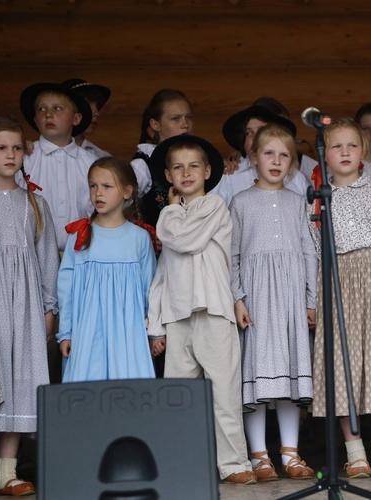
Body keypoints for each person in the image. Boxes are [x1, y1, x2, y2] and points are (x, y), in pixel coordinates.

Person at [146, 134, 256, 485]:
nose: (186, 172)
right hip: (178, 317)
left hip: (214, 312)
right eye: (178, 167)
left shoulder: (214, 207)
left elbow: (185, 240)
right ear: (168, 174)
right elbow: (162, 272)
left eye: (194, 165)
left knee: (223, 394)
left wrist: (169, 211)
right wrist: (155, 325)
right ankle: (180, 463)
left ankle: (235, 464)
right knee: (178, 397)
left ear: (208, 171)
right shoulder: (174, 215)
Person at [309, 118, 371, 479]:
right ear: (324, 155)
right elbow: (314, 251)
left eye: (353, 145)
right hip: (337, 286)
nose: (345, 152)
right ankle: (355, 454)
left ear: (363, 152)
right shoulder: (319, 197)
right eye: (337, 146)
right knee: (341, 366)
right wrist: (314, 300)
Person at [230, 124, 317, 481]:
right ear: (253, 158)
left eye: (284, 155)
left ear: (293, 163)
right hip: (256, 300)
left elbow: (310, 251)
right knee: (257, 379)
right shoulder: (240, 202)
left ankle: (290, 453)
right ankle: (259, 455)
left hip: (291, 300)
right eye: (269, 153)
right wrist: (237, 298)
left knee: (287, 379)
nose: (277, 161)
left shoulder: (299, 203)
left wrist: (311, 299)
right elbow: (231, 256)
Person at [0, 116, 58, 496]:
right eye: (0, 147)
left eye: (16, 148)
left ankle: (4, 472)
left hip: (24, 309)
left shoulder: (35, 203)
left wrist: (48, 307)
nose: (10, 155)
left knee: (18, 381)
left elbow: (46, 261)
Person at [57, 157, 157, 382]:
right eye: (93, 186)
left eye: (107, 186)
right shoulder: (80, 236)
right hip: (87, 333)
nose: (98, 193)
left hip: (128, 334)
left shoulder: (139, 238)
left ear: (127, 192)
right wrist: (66, 333)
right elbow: (66, 289)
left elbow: (150, 289)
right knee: (87, 388)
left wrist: (153, 332)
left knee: (128, 389)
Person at [19, 81, 97, 250]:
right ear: (35, 120)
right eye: (42, 109)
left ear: (76, 119)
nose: (48, 114)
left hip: (82, 254)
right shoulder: (22, 160)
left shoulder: (92, 164)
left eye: (58, 108)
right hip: (34, 255)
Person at [212, 104, 309, 207]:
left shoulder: (296, 177)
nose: (255, 137)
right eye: (248, 133)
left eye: (262, 130)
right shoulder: (230, 176)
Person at [133, 89, 194, 226]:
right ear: (155, 124)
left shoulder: (199, 160)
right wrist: (146, 234)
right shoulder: (142, 165)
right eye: (175, 119)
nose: (185, 124)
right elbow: (119, 205)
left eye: (188, 117)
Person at [62, 78, 112, 158]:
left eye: (97, 107)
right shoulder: (35, 152)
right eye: (87, 105)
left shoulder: (102, 158)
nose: (96, 113)